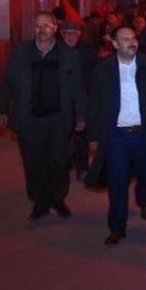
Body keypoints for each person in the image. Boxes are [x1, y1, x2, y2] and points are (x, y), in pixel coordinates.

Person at [87, 26, 146, 245]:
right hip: (117, 136)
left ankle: (143, 200)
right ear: (115, 44)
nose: (131, 43)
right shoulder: (103, 69)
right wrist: (94, 135)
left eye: (134, 39)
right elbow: (95, 105)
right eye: (125, 39)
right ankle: (117, 226)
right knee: (117, 180)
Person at [0, 12, 87, 221]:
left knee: (59, 161)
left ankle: (58, 198)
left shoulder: (67, 54)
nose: (42, 29)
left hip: (58, 119)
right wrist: (2, 110)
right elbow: (6, 82)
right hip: (29, 120)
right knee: (33, 162)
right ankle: (40, 202)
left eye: (46, 25)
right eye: (38, 25)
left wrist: (81, 116)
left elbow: (77, 88)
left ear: (55, 28)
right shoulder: (21, 51)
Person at [59, 20, 97, 182]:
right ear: (61, 35)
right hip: (63, 101)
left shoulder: (87, 51)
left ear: (79, 34)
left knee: (81, 136)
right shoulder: (56, 52)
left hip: (84, 99)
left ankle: (82, 168)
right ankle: (65, 163)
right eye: (67, 34)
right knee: (62, 136)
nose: (70, 37)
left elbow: (94, 76)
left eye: (74, 33)